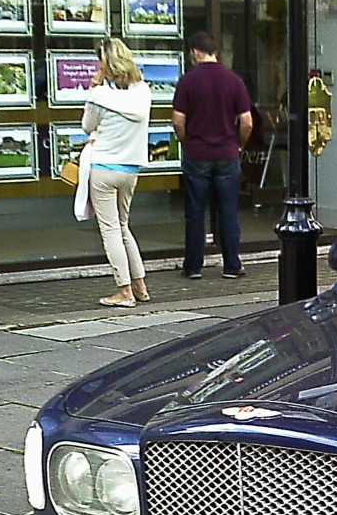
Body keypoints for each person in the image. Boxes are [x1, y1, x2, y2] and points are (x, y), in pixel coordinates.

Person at [172, 31, 253, 279]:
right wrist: (238, 145)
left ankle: (194, 266)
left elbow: (178, 121)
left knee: (195, 212)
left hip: (197, 153)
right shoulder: (234, 81)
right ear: (215, 52)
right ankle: (232, 265)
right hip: (227, 153)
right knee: (228, 211)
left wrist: (187, 142)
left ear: (195, 52)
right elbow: (247, 122)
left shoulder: (187, 81)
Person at [83, 37, 152, 308]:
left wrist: (93, 89)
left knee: (110, 230)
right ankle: (140, 286)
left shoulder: (101, 94)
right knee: (123, 227)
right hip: (130, 169)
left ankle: (124, 292)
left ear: (106, 63)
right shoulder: (143, 91)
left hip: (103, 168)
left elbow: (87, 125)